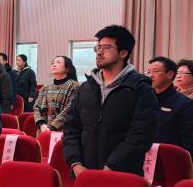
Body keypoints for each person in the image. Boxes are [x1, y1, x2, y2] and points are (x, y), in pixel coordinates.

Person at [64, 25, 158, 177]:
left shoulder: (140, 89)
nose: (99, 52)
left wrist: (111, 167)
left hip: (122, 174)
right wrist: (76, 164)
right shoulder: (86, 88)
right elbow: (71, 129)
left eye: (106, 47)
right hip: (84, 173)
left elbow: (141, 135)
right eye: (98, 47)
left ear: (123, 52)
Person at [148, 56, 193, 155]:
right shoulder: (143, 100)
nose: (150, 75)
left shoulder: (186, 104)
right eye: (148, 72)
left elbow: (190, 145)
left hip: (167, 157)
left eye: (155, 71)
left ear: (170, 74)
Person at [33, 56, 79, 132]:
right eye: (53, 63)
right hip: (43, 130)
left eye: (58, 62)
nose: (54, 64)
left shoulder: (74, 86)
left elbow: (70, 109)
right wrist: (41, 124)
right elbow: (37, 107)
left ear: (67, 68)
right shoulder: (46, 87)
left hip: (64, 131)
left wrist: (52, 126)